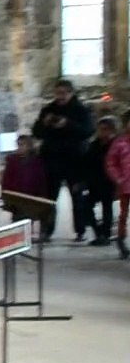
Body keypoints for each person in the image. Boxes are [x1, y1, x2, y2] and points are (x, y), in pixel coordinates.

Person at [30, 79, 93, 242]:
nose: (60, 97)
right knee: (49, 198)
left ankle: (80, 230)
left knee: (77, 197)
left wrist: (68, 124)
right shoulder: (48, 110)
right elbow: (37, 132)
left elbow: (87, 131)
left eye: (63, 93)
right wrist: (44, 123)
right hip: (52, 160)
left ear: (71, 93)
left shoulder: (81, 110)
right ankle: (47, 231)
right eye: (57, 93)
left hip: (74, 160)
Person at [81, 117, 118, 246]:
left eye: (105, 130)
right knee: (85, 206)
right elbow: (87, 163)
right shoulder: (94, 145)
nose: (102, 133)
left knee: (107, 208)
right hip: (94, 182)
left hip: (109, 182)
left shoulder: (116, 145)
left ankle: (106, 234)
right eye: (100, 130)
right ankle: (99, 231)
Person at [1, 134, 48, 225]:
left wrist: (42, 195)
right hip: (16, 195)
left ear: (29, 146)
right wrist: (5, 194)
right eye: (19, 145)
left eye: (23, 145)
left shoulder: (36, 161)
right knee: (17, 218)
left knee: (29, 218)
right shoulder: (12, 161)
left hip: (31, 196)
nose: (20, 148)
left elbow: (40, 179)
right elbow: (6, 179)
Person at [103, 109, 130, 259]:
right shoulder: (120, 142)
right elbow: (110, 163)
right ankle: (121, 239)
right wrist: (118, 178)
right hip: (125, 185)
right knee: (123, 215)